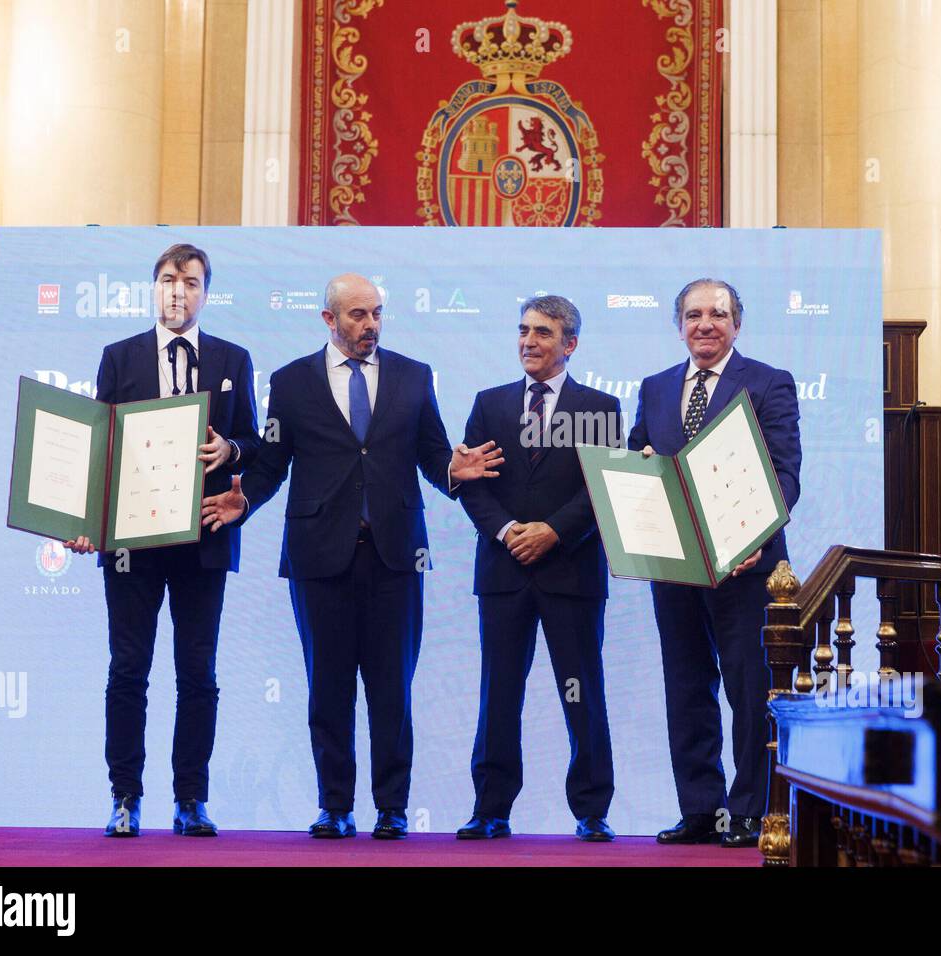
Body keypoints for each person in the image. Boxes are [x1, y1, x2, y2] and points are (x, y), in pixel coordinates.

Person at [199, 273, 503, 841]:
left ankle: (392, 808)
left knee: (393, 690)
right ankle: (334, 805)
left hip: (396, 557)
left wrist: (453, 472)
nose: (371, 325)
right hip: (318, 558)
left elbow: (433, 454)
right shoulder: (290, 382)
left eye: (377, 313)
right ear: (329, 319)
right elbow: (272, 463)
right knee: (328, 689)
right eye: (359, 315)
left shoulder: (414, 376)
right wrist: (246, 498)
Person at [65, 242, 262, 838]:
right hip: (132, 541)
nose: (179, 291)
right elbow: (97, 448)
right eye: (170, 280)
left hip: (203, 535)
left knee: (198, 673)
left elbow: (255, 442)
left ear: (206, 293)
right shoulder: (118, 356)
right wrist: (85, 520)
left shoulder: (233, 359)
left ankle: (191, 800)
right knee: (128, 669)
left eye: (192, 282)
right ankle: (125, 797)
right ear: (154, 289)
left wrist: (231, 449)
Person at [628, 278, 801, 848]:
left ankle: (751, 810)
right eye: (694, 314)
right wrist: (638, 471)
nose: (705, 324)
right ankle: (701, 809)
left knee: (750, 689)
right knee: (686, 687)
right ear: (679, 325)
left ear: (736, 324)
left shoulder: (770, 382)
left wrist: (753, 536)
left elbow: (784, 472)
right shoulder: (655, 387)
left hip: (746, 566)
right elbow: (637, 456)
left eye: (718, 314)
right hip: (675, 564)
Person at [454, 295, 621, 842]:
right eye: (523, 329)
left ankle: (592, 810)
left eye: (543, 332)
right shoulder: (488, 404)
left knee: (582, 691)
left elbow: (602, 489)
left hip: (571, 572)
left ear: (570, 344)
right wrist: (508, 531)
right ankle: (490, 809)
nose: (529, 340)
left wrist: (553, 531)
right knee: (499, 693)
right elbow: (470, 483)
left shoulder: (601, 407)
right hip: (503, 572)